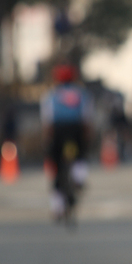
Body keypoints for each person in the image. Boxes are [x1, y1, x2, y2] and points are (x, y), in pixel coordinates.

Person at [40, 62, 93, 219]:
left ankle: (57, 207)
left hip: (58, 131)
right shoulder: (82, 94)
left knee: (55, 166)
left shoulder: (51, 95)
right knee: (81, 154)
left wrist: (47, 139)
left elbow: (47, 120)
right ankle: (79, 177)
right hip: (76, 130)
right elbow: (87, 118)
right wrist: (87, 137)